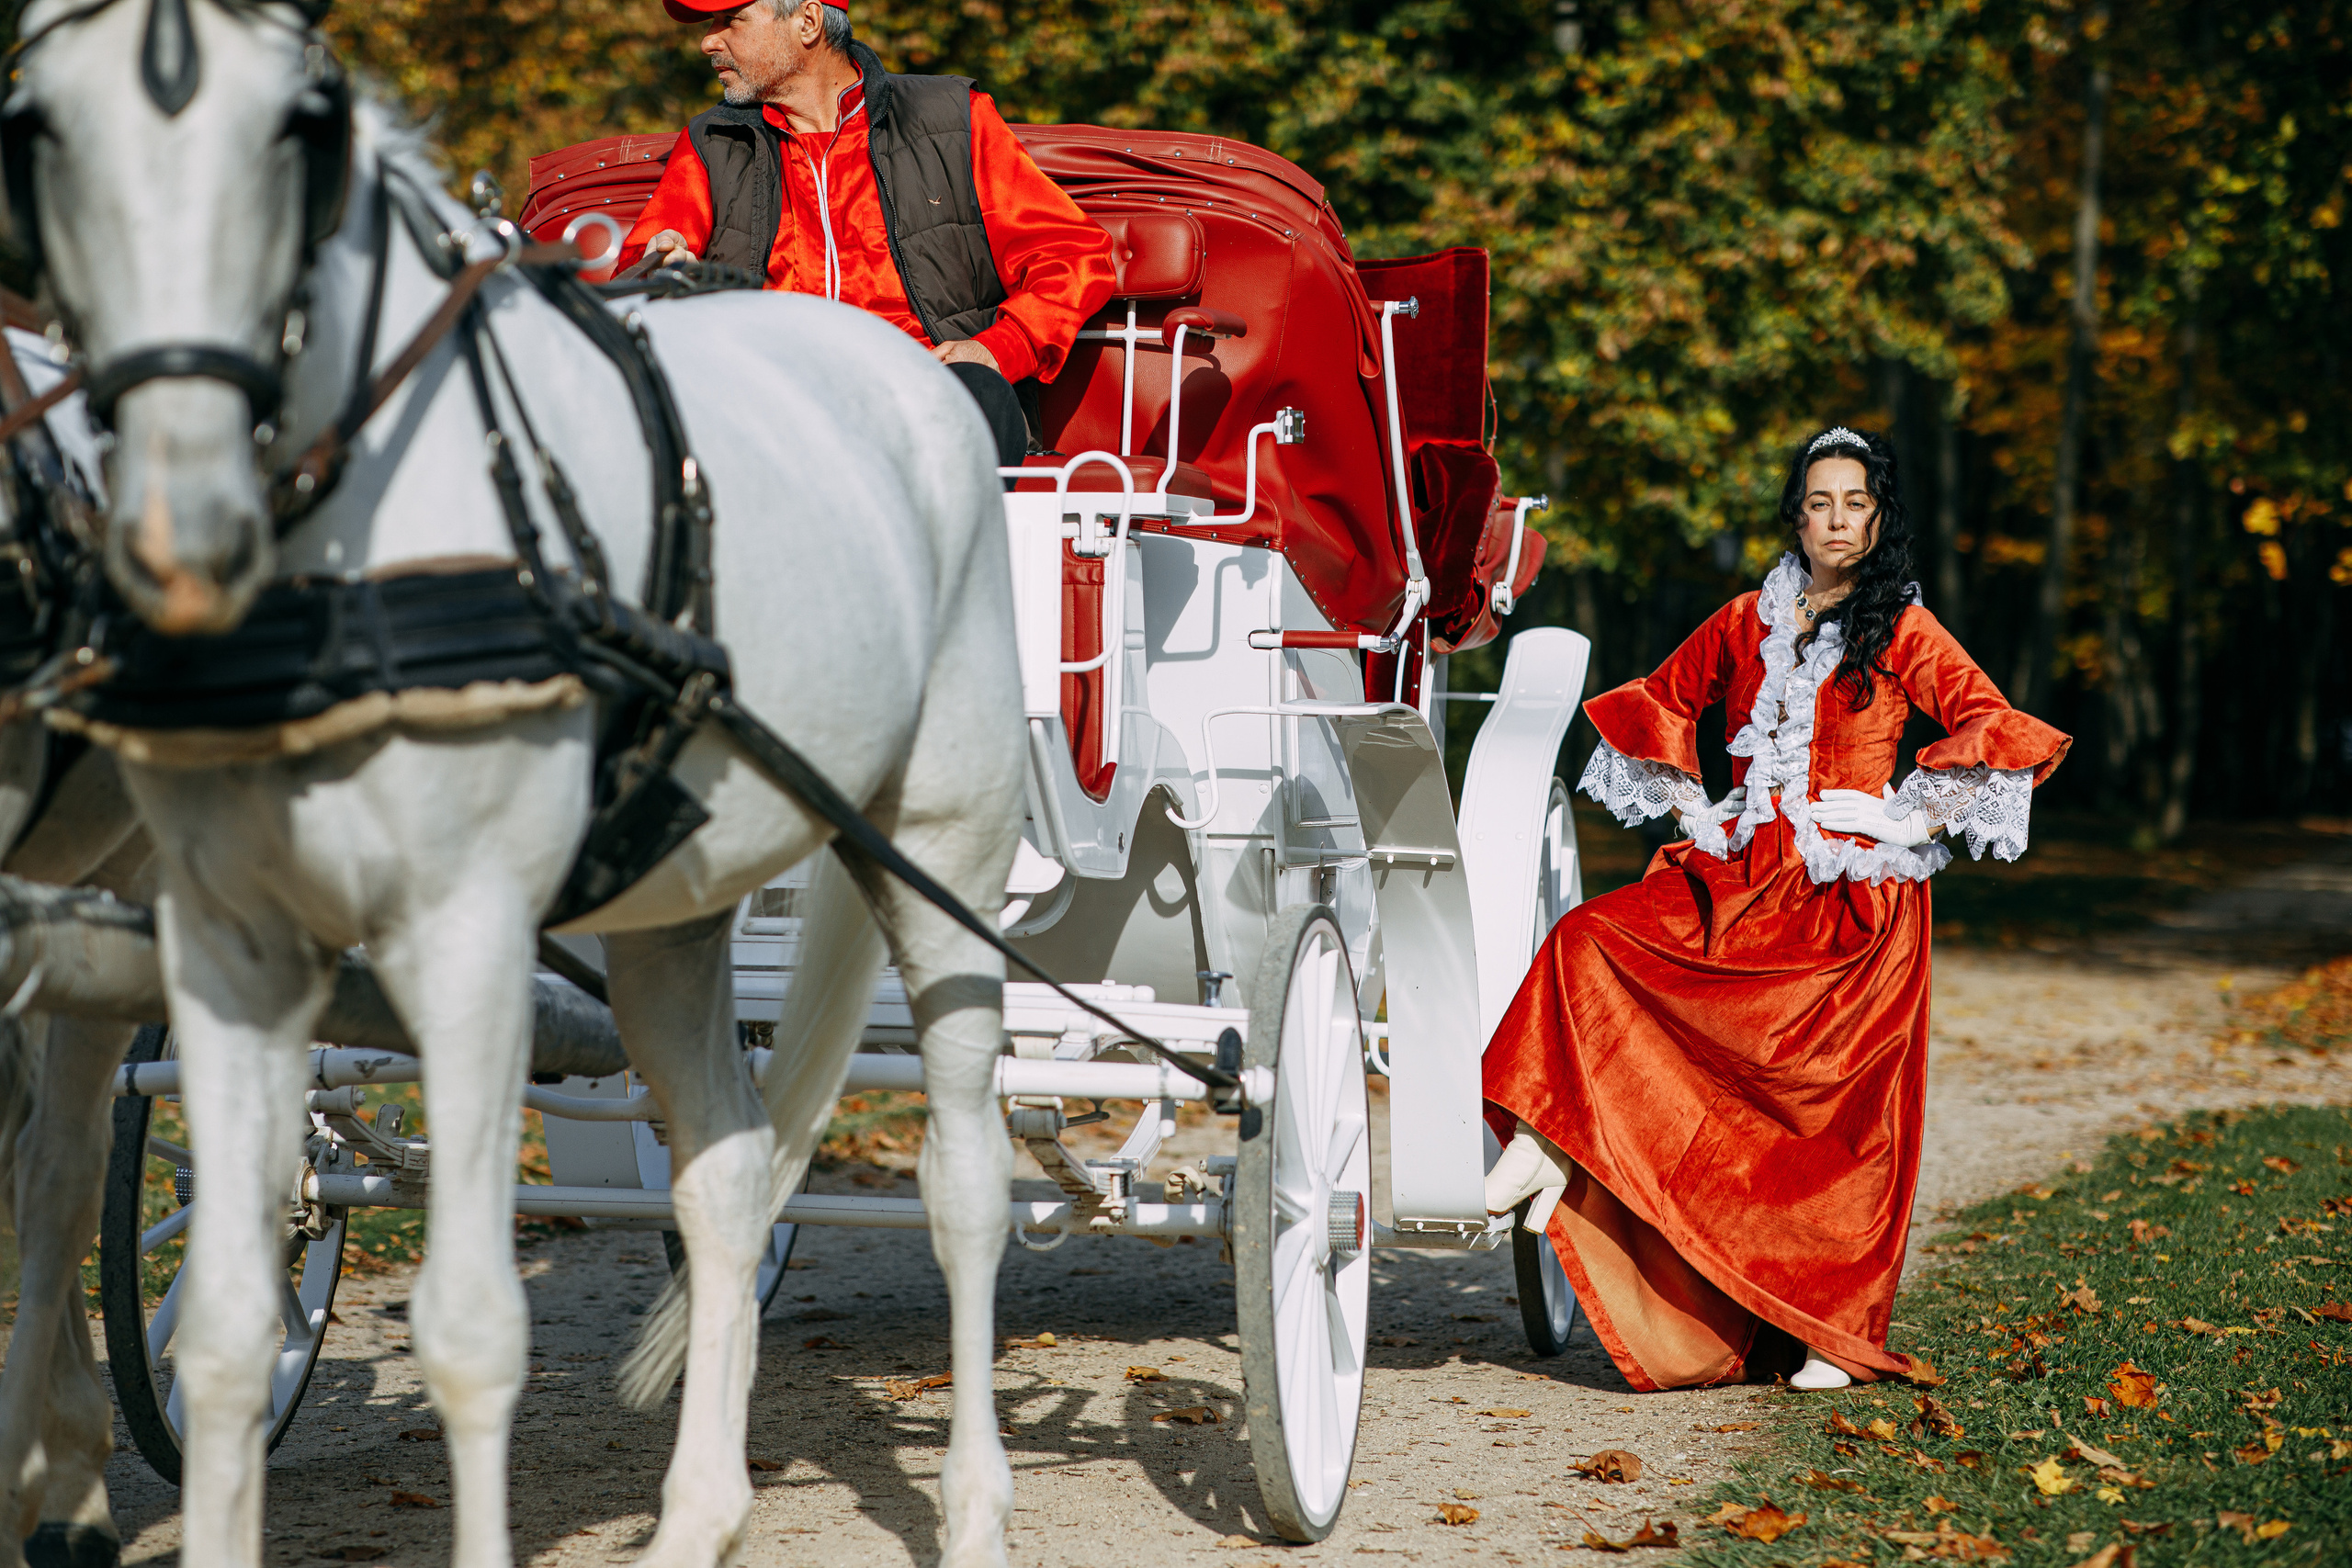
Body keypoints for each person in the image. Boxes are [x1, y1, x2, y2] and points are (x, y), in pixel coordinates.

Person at [1479, 426, 2071, 1393]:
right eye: (1819, 503)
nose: (1836, 522)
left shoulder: (1903, 627)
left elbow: (1992, 722)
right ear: (1795, 515)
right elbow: (1659, 702)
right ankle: (1554, 1142)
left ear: (1878, 519)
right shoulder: (1746, 616)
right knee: (1591, 938)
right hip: (1744, 875)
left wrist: (1900, 808)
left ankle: (1827, 1329)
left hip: (1852, 897)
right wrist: (1695, 807)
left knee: (1831, 1124)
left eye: (1855, 505)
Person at [617, 0, 1117, 469]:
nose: (709, 42)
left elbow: (1074, 257)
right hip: (768, 410)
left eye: (730, 19)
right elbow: (646, 264)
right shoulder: (711, 141)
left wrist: (998, 349)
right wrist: (664, 270)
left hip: (927, 400)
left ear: (808, 22)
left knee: (976, 396)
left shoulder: (951, 116)